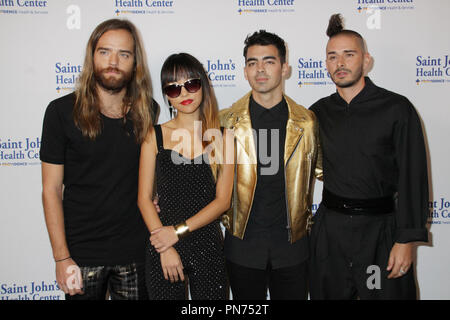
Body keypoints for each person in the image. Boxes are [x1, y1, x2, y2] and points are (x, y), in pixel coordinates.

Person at [308, 14, 429, 300]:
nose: (340, 63)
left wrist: (406, 239)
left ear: (366, 60)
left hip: (380, 234)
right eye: (332, 57)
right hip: (331, 234)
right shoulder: (317, 114)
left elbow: (413, 176)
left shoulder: (397, 109)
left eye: (349, 55)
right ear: (326, 63)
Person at [40, 18, 157, 300]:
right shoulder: (60, 112)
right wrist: (61, 258)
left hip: (136, 252)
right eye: (105, 51)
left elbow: (144, 175)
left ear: (135, 62)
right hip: (81, 255)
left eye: (124, 54)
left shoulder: (148, 111)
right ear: (92, 56)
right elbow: (51, 190)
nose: (113, 62)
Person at [219, 30, 321, 300]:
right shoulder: (224, 122)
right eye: (252, 62)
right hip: (242, 247)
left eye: (269, 61)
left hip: (293, 249)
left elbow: (327, 172)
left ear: (285, 68)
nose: (260, 69)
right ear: (244, 70)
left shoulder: (308, 123)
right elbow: (205, 177)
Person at [138, 53, 233, 300]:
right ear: (166, 95)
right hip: (163, 245)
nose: (184, 94)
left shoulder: (225, 137)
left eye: (191, 84)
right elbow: (144, 199)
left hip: (208, 246)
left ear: (203, 84)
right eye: (173, 89)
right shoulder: (153, 135)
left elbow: (223, 201)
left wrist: (177, 232)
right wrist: (166, 244)